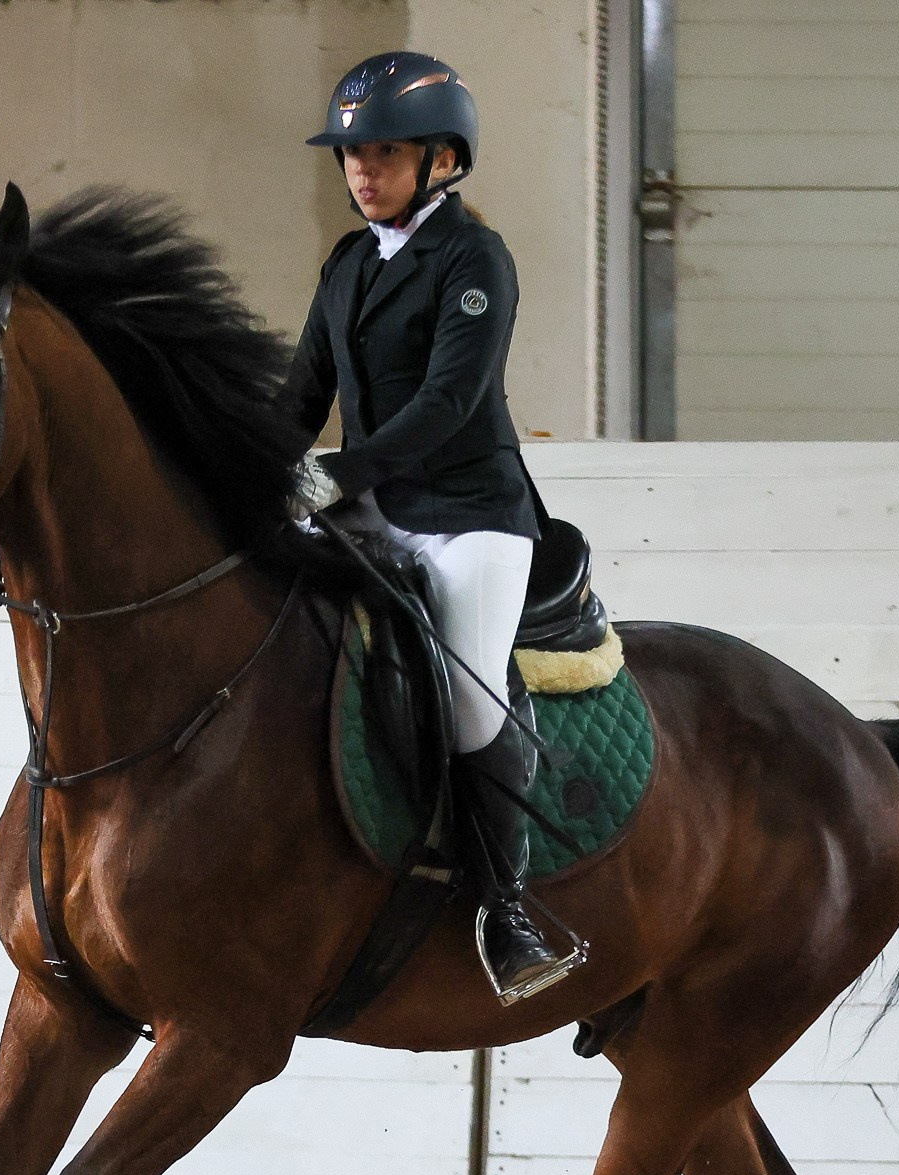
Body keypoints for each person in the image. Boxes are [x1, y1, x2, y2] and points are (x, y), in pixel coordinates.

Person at [285, 51, 582, 1006]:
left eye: (382, 152)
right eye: (351, 155)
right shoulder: (346, 264)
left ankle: (508, 911)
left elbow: (450, 402)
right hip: (369, 508)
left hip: (468, 516)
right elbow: (302, 394)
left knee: (468, 696)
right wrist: (243, 467)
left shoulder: (473, 259)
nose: (361, 170)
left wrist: (336, 472)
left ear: (442, 160)